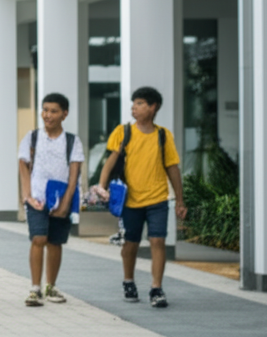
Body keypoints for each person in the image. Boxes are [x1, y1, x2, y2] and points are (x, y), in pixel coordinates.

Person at [93, 86, 186, 308]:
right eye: (133, 104)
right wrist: (101, 186)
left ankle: (156, 288)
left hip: (158, 199)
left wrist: (180, 200)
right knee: (130, 244)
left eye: (140, 103)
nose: (134, 108)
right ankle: (128, 281)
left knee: (158, 241)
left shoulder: (163, 135)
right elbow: (110, 162)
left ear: (153, 107)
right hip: (130, 201)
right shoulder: (123, 132)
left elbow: (172, 168)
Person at [17, 93, 84, 307]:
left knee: (55, 242)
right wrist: (27, 196)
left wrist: (65, 204)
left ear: (64, 114)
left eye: (54, 111)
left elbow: (74, 175)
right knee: (38, 239)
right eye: (45, 110)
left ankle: (51, 286)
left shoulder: (72, 141)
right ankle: (35, 288)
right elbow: (23, 166)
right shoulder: (32, 137)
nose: (48, 115)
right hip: (37, 198)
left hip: (61, 198)